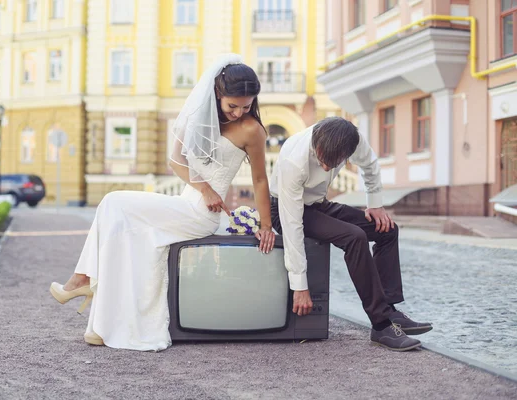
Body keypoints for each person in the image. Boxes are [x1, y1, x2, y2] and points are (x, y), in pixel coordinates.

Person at [49, 54, 276, 351]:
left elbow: (260, 180)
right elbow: (175, 161)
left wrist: (266, 225)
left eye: (246, 106)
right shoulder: (198, 116)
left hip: (201, 215)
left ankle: (82, 280)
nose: (239, 112)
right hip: (189, 202)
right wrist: (204, 187)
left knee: (113, 202)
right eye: (232, 105)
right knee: (118, 221)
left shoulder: (252, 130)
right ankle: (101, 324)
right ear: (217, 95)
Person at [270, 117, 432, 351]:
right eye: (322, 161)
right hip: (285, 210)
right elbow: (292, 224)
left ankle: (389, 310)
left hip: (318, 204)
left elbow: (370, 164)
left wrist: (375, 204)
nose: (326, 168)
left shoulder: (352, 140)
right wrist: (300, 286)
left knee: (386, 230)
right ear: (316, 144)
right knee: (354, 236)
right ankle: (381, 324)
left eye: (333, 164)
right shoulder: (294, 161)